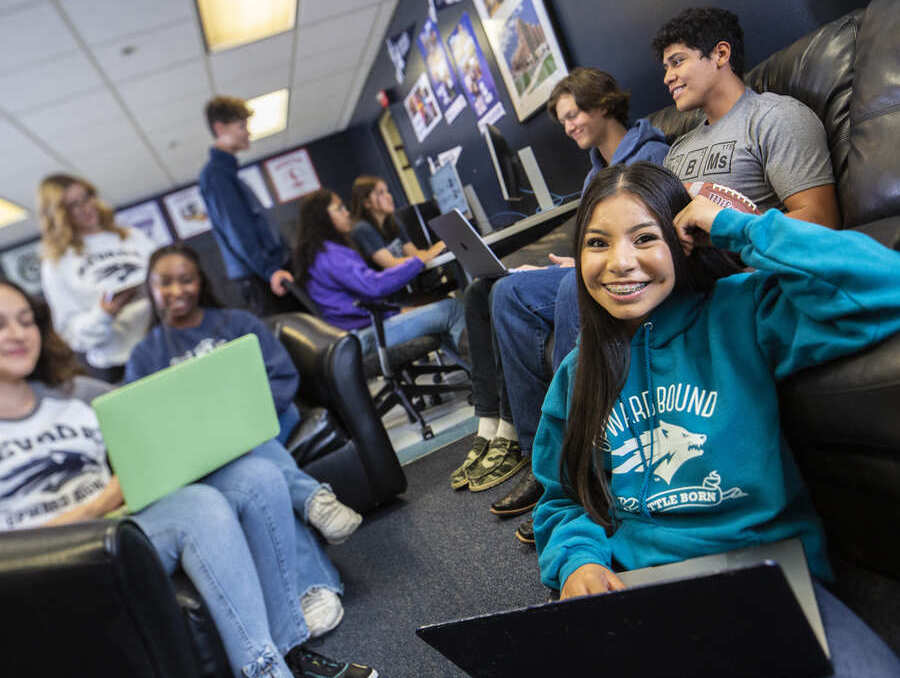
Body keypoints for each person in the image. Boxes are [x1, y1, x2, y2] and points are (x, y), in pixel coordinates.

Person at [532, 162, 900, 676]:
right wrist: (578, 561)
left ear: (683, 243)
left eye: (644, 238)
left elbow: (885, 283)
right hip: (640, 585)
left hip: (765, 575)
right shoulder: (577, 374)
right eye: (597, 243)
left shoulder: (743, 311)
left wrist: (737, 226)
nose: (619, 262)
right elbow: (565, 497)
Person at [501, 4, 846, 541]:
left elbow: (821, 224)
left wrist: (726, 222)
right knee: (516, 290)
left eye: (678, 61)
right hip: (670, 273)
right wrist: (606, 248)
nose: (666, 78)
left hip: (728, 271)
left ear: (722, 54)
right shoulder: (679, 149)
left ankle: (600, 466)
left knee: (581, 289)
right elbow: (636, 224)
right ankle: (578, 464)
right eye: (664, 67)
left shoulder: (774, 117)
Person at [0, 280, 378, 678]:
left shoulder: (78, 394)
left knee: (256, 476)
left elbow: (143, 441)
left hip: (125, 528)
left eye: (25, 321)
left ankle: (290, 652)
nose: (18, 334)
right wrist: (99, 504)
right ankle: (265, 671)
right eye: (1, 324)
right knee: (199, 509)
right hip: (42, 565)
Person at [457, 69, 669, 510]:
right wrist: (566, 262)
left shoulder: (650, 154)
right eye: (564, 119)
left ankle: (582, 460)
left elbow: (647, 236)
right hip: (593, 265)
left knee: (573, 286)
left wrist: (586, 264)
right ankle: (545, 459)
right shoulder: (596, 176)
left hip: (630, 269)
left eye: (574, 115)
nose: (570, 126)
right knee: (506, 293)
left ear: (604, 105)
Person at [126, 243, 363, 637]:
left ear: (200, 282)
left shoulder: (236, 323)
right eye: (165, 282)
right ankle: (311, 505)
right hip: (203, 451)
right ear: (150, 288)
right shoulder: (145, 355)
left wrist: (243, 421)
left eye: (186, 279)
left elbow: (282, 377)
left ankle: (310, 581)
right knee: (243, 462)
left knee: (243, 446)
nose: (177, 290)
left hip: (267, 421)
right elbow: (142, 427)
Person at [293, 189, 465, 358]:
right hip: (367, 335)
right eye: (339, 209)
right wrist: (420, 260)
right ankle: (483, 376)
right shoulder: (330, 255)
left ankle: (477, 374)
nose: (347, 213)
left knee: (436, 316)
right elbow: (374, 286)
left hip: (360, 330)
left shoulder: (319, 253)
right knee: (453, 309)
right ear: (322, 218)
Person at [38, 174, 155, 383]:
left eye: (87, 197)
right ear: (59, 214)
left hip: (166, 339)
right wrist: (104, 313)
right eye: (74, 205)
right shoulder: (57, 263)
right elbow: (71, 335)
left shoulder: (132, 237)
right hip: (121, 362)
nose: (86, 207)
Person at [198, 95, 295, 315]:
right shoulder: (215, 176)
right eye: (241, 126)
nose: (248, 132)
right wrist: (270, 271)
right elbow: (238, 233)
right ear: (220, 128)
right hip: (261, 278)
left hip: (266, 272)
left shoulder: (227, 174)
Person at [349, 176, 445, 269]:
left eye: (387, 191)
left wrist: (437, 248)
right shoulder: (362, 229)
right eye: (381, 193)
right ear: (367, 203)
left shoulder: (392, 223)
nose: (389, 196)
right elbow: (392, 264)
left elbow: (413, 254)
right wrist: (431, 252)